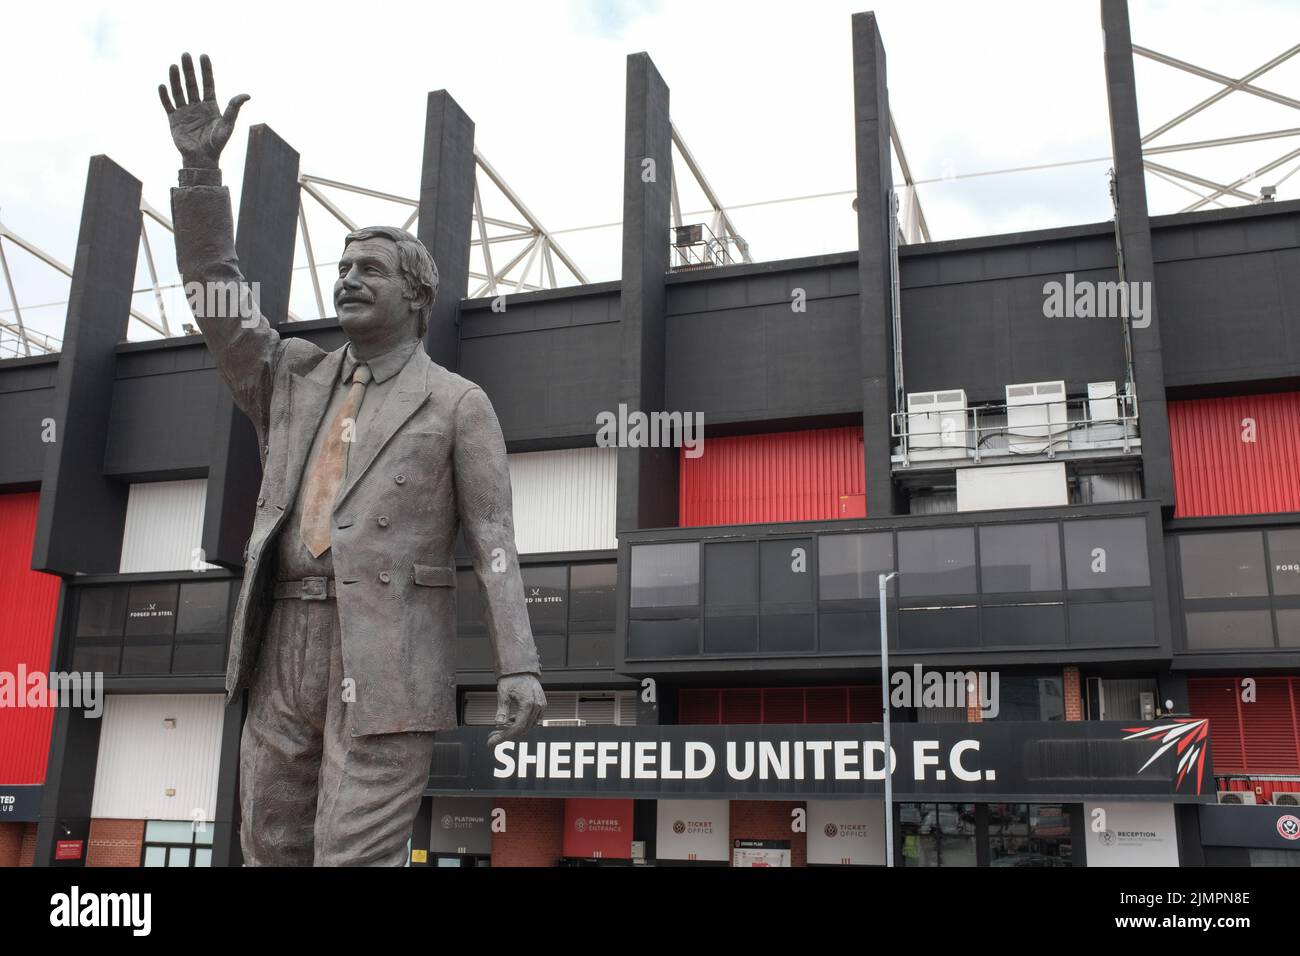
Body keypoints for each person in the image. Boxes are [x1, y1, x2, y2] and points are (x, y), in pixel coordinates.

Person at [159, 53, 545, 866]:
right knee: (268, 841)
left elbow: (496, 540)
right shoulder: (291, 376)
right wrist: (200, 175)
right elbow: (215, 295)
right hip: (283, 641)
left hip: (390, 655)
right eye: (340, 269)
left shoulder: (457, 403)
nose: (347, 280)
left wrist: (519, 665)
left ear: (418, 297)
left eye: (369, 269)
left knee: (351, 852)